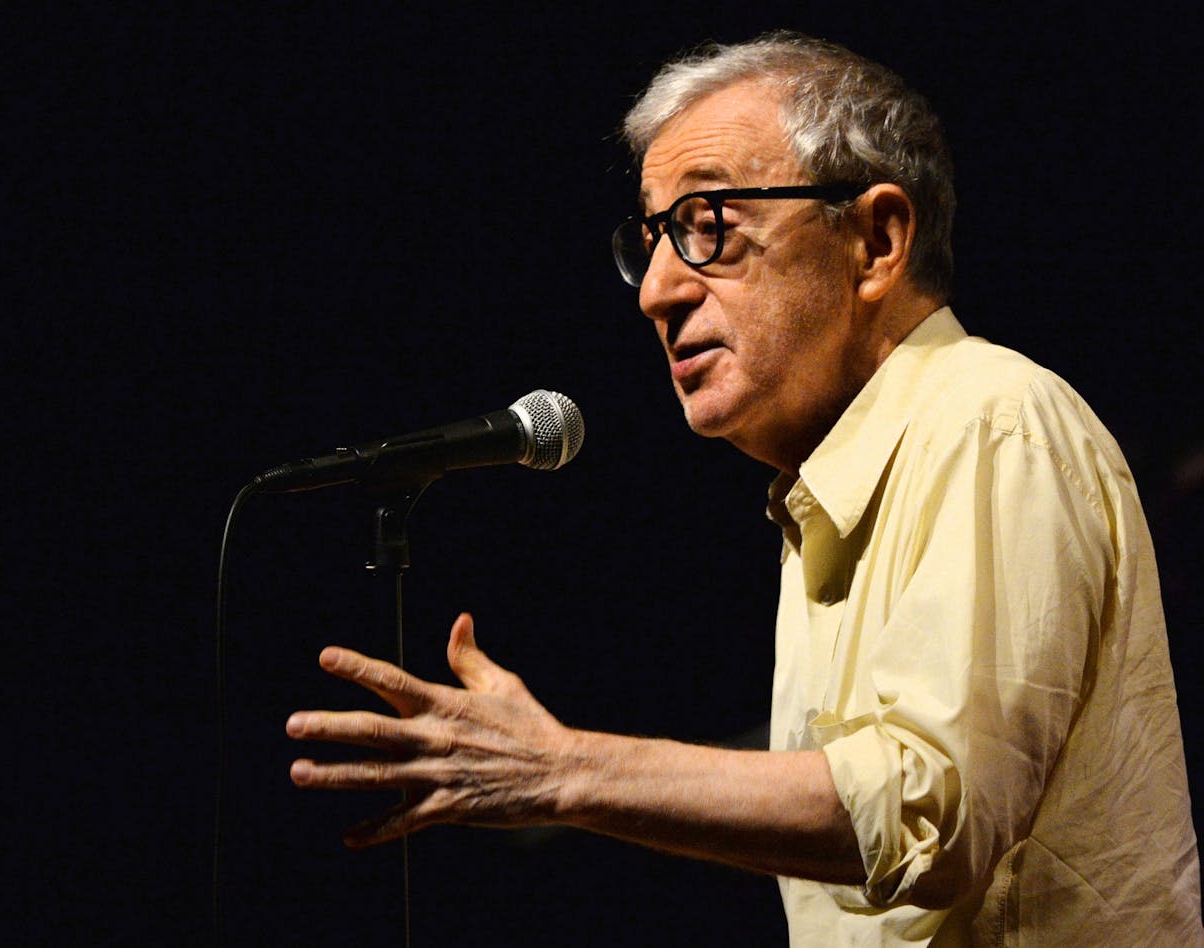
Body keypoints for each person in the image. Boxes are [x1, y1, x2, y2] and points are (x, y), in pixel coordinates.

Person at [285, 30, 1202, 943]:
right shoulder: (824, 494)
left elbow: (931, 811)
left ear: (877, 240)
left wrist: (565, 769)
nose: (655, 291)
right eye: (650, 239)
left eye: (707, 225)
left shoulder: (989, 417)